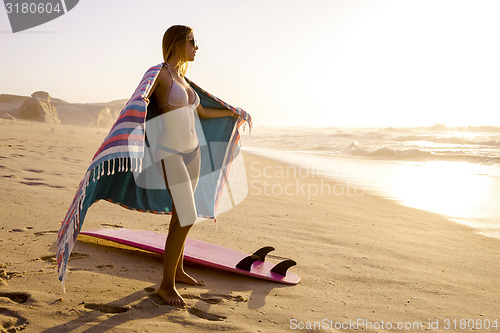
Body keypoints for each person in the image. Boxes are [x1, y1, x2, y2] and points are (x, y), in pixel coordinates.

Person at [145, 25, 237, 307]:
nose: (197, 47)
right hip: (169, 152)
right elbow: (139, 103)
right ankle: (165, 285)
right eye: (192, 41)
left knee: (180, 215)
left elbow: (204, 112)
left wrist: (232, 112)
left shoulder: (184, 81)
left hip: (193, 153)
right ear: (176, 43)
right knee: (187, 215)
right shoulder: (159, 75)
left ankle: (180, 271)